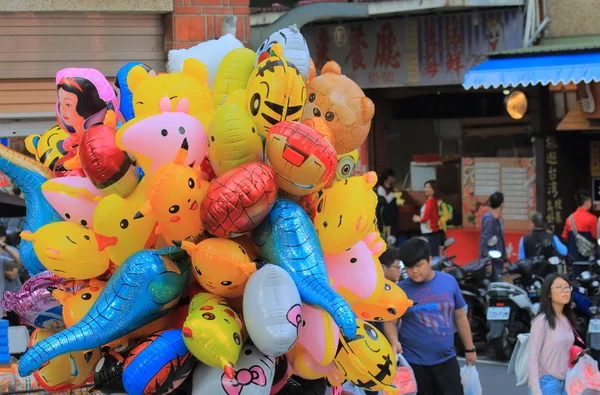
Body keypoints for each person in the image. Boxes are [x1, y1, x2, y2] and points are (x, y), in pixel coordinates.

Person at [382, 238, 476, 395]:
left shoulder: (449, 282)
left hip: (447, 360)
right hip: (414, 363)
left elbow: (460, 317)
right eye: (410, 267)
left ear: (430, 260)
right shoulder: (400, 291)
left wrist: (469, 349)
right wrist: (394, 341)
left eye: (419, 265)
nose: (414, 271)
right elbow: (390, 322)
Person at [528, 274, 583, 395]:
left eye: (567, 287)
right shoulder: (542, 320)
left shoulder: (567, 319)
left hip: (567, 381)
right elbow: (532, 356)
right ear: (548, 293)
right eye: (559, 287)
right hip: (547, 382)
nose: (565, 291)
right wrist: (536, 390)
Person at [562, 190, 598, 278]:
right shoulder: (592, 219)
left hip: (573, 261)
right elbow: (596, 236)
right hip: (588, 260)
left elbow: (565, 237)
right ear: (587, 202)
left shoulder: (569, 219)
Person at [479, 191, 506, 282]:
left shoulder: (496, 219)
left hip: (498, 259)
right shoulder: (489, 220)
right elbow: (485, 241)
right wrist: (488, 262)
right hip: (492, 261)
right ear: (501, 204)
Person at [0, 225, 22, 325]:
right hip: (2, 299)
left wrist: (4, 247)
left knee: (12, 326)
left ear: (3, 238)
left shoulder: (8, 253)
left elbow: (14, 273)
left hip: (13, 296)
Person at [413, 180, 441, 257]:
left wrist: (417, 218)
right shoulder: (434, 201)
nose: (426, 189)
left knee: (430, 255)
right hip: (433, 232)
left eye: (428, 187)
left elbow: (425, 218)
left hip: (430, 232)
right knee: (434, 254)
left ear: (434, 189)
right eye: (425, 187)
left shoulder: (430, 201)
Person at [377, 169, 399, 244]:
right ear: (387, 178)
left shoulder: (392, 187)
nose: (393, 180)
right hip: (386, 215)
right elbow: (386, 201)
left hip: (393, 214)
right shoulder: (381, 188)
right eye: (391, 178)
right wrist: (394, 193)